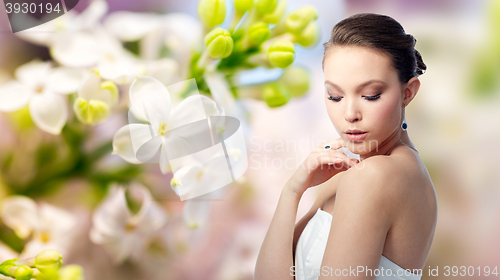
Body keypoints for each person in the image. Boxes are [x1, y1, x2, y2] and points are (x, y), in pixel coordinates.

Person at [254, 13, 438, 280]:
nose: (350, 113)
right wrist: (292, 190)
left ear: (408, 92)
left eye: (370, 95)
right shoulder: (357, 171)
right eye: (335, 96)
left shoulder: (375, 176)